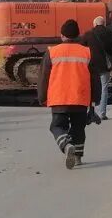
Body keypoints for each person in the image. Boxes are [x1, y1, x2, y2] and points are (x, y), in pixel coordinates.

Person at [36, 19, 101, 169]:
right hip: (80, 97)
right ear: (78, 35)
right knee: (79, 128)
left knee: (57, 126)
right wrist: (95, 100)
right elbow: (94, 79)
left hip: (59, 98)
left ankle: (66, 145)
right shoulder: (86, 52)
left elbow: (43, 77)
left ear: (62, 35)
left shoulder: (52, 52)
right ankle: (77, 157)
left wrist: (42, 97)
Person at [87, 15, 112, 123]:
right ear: (104, 24)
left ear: (95, 24)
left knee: (90, 88)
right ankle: (102, 113)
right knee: (104, 88)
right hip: (105, 65)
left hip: (91, 65)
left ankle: (91, 112)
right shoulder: (109, 33)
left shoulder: (89, 34)